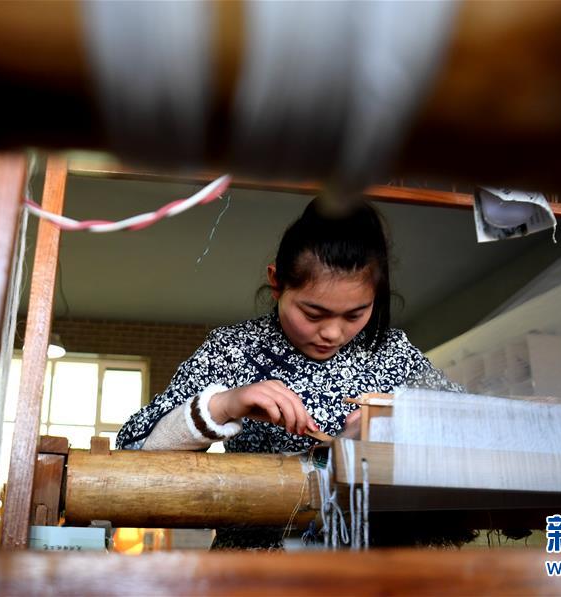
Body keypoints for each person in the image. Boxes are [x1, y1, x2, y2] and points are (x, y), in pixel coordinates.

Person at [116, 198, 460, 549]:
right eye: (313, 314)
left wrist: (400, 423)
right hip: (255, 567)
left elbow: (475, 432)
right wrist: (223, 406)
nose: (333, 333)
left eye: (355, 315)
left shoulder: (392, 352)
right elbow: (134, 450)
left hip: (378, 566)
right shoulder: (233, 349)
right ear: (277, 283)